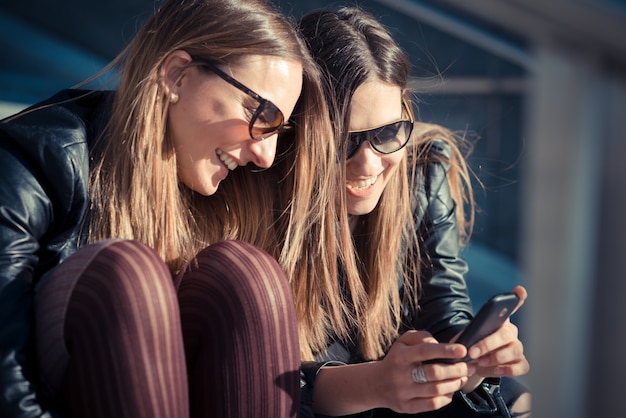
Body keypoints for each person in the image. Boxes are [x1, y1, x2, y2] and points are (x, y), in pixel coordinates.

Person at [0, 0, 340, 417]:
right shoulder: (36, 155)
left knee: (250, 274)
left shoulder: (236, 196)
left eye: (279, 130)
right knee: (128, 274)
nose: (266, 155)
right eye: (258, 113)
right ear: (176, 75)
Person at [296, 7, 531, 417]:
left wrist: (472, 353)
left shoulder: (422, 169)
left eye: (388, 132)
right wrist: (378, 384)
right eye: (342, 141)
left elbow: (444, 303)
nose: (368, 165)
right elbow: (272, 381)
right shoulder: (265, 195)